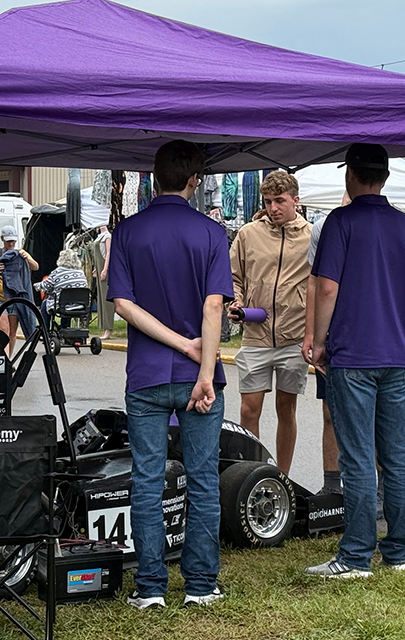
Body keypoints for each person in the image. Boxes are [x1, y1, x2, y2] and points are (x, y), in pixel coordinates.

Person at [107, 139, 233, 609]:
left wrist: (178, 346)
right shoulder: (211, 233)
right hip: (200, 374)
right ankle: (201, 586)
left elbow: (122, 304)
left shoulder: (127, 232)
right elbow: (214, 305)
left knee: (146, 479)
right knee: (202, 478)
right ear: (195, 180)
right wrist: (202, 365)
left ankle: (151, 588)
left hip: (145, 375)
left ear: (153, 176)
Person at [306, 143, 405, 578]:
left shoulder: (340, 221)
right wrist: (397, 319)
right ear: (386, 176)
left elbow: (325, 288)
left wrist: (318, 341)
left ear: (351, 175)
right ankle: (397, 553)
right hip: (393, 353)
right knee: (397, 455)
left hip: (352, 353)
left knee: (357, 456)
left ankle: (356, 555)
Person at [228, 171, 311, 474]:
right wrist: (235, 301)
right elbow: (233, 277)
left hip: (294, 336)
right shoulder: (248, 234)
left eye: (280, 201)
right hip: (256, 335)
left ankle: (283, 476)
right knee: (249, 409)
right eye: (268, 201)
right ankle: (253, 472)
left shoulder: (311, 235)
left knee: (286, 409)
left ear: (295, 201)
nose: (273, 207)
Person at [302, 193, 352, 498]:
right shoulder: (325, 226)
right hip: (333, 333)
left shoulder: (388, 223)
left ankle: (380, 488)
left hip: (363, 334)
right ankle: (332, 484)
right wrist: (311, 333)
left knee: (372, 418)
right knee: (330, 412)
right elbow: (316, 282)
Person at [0, 225, 38, 356]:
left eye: (13, 241)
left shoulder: (20, 253)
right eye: (8, 241)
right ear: (2, 239)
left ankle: (8, 359)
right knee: (3, 329)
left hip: (13, 298)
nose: (11, 244)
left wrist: (27, 258)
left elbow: (35, 267)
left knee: (12, 332)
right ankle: (4, 362)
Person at [34, 248, 88, 326]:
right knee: (68, 301)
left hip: (63, 305)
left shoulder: (57, 272)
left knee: (45, 304)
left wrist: (35, 285)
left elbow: (45, 286)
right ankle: (65, 327)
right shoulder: (81, 273)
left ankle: (45, 330)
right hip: (80, 305)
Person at [93, 225, 115, 340]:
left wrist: (105, 269)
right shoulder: (99, 237)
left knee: (107, 300)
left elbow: (108, 253)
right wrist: (97, 268)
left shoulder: (107, 236)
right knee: (101, 299)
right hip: (99, 267)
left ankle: (108, 328)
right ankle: (103, 327)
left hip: (104, 269)